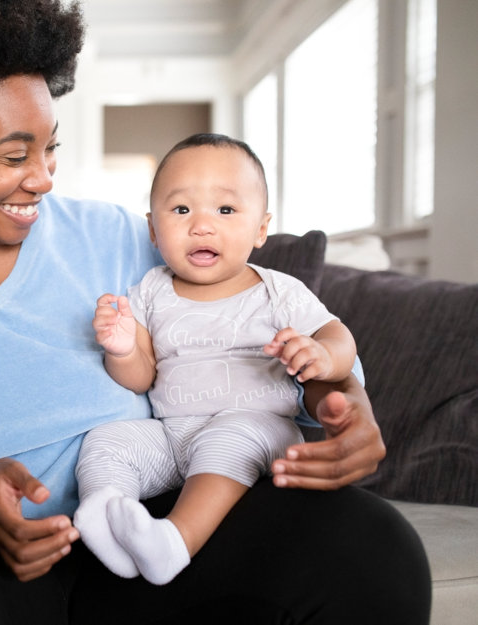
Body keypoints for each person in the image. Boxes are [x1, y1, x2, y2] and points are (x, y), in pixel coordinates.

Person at [0, 1, 431, 623]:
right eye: (14, 156)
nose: (43, 177)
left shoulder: (122, 237)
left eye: (50, 148)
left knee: (373, 550)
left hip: (147, 529)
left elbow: (265, 333)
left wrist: (344, 399)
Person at [73, 133, 359, 585]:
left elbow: (338, 335)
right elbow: (141, 377)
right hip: (174, 436)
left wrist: (323, 355)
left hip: (260, 431)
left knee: (231, 433)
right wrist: (123, 347)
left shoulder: (277, 291)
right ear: (153, 229)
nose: (202, 225)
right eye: (181, 210)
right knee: (108, 440)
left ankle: (175, 542)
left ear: (261, 228)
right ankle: (108, 519)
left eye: (225, 210)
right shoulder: (150, 291)